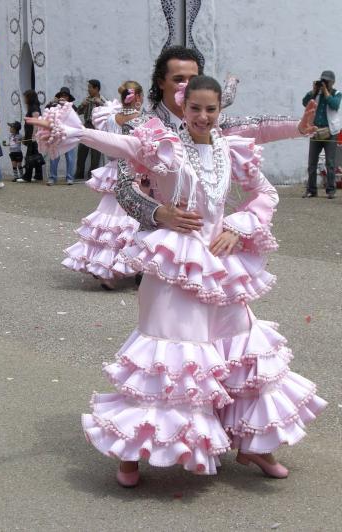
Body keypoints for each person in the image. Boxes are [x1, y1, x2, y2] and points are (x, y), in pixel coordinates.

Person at [27, 75, 326, 487]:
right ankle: (132, 448)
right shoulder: (162, 144)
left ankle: (253, 443)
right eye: (195, 109)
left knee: (242, 353)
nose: (203, 116)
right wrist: (76, 132)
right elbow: (122, 146)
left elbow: (265, 193)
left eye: (211, 109)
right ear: (182, 109)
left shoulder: (229, 146)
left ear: (220, 111)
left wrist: (238, 225)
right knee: (169, 361)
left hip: (221, 265)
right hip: (174, 263)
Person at [115, 46, 317, 231]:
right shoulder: (140, 127)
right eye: (178, 79)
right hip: (159, 237)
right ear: (160, 82)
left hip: (208, 232)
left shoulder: (210, 122)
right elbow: (124, 186)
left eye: (192, 79)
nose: (185, 85)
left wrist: (298, 127)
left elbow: (257, 126)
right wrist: (159, 213)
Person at [62, 81, 143, 290]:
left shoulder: (109, 118)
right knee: (133, 220)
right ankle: (135, 267)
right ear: (139, 98)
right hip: (134, 170)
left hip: (113, 170)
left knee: (109, 221)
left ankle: (107, 270)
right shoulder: (142, 120)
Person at [302, 70, 341, 199]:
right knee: (312, 163)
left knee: (330, 163)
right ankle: (311, 190)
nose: (324, 83)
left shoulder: (337, 94)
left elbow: (334, 105)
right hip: (315, 131)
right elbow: (305, 102)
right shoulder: (316, 94)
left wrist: (325, 91)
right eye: (322, 80)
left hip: (330, 132)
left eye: (327, 81)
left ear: (333, 82)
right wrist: (314, 91)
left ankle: (330, 191)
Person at [74, 79, 106, 182]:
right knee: (81, 152)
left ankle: (92, 176)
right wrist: (82, 104)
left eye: (90, 87)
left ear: (96, 88)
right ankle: (79, 174)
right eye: (88, 87)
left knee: (95, 154)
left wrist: (100, 103)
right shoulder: (87, 99)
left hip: (97, 128)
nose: (88, 89)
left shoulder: (103, 99)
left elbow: (109, 111)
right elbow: (77, 112)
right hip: (87, 126)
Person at [46, 87, 77, 185]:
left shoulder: (72, 106)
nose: (63, 97)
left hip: (69, 135)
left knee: (70, 158)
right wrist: (52, 102)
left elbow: (76, 116)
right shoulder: (53, 105)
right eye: (62, 95)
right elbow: (46, 110)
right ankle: (52, 178)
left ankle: (69, 178)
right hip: (56, 135)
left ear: (68, 98)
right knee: (54, 157)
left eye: (65, 96)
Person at [20, 89, 44, 183]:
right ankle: (38, 175)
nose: (24, 99)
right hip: (31, 136)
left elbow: (36, 123)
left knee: (29, 156)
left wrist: (34, 136)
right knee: (36, 156)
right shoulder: (32, 107)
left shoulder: (34, 108)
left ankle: (27, 176)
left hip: (34, 137)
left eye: (26, 97)